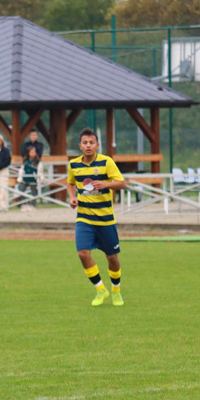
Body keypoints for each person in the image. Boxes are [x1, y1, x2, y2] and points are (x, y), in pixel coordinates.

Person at [66, 128, 126, 307]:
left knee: (112, 258)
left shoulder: (106, 162)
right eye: (85, 143)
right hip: (84, 218)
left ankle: (116, 291)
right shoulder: (74, 165)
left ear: (97, 145)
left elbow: (122, 183)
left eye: (91, 143)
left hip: (106, 219)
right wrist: (72, 198)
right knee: (83, 253)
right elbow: (70, 183)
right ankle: (100, 289)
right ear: (80, 146)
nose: (88, 146)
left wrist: (106, 184)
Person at [17, 146, 43, 212]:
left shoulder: (38, 162)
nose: (33, 153)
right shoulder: (25, 161)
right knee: (21, 190)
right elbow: (21, 170)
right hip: (25, 178)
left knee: (34, 192)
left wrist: (40, 179)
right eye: (31, 152)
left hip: (33, 179)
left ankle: (33, 205)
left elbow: (40, 171)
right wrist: (19, 179)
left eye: (34, 152)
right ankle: (24, 205)